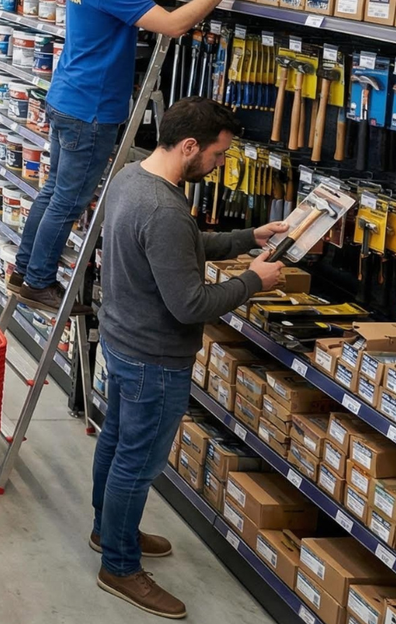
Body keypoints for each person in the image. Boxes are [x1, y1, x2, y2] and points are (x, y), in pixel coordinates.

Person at [12, 0, 258, 312]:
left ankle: (24, 270)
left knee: (54, 193)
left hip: (68, 99)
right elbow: (176, 24)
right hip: (90, 112)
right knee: (67, 202)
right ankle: (38, 282)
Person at [92, 98, 285, 619]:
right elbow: (190, 304)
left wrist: (249, 238)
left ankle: (106, 529)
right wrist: (253, 281)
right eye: (219, 155)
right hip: (154, 357)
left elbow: (178, 247)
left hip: (121, 339)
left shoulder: (134, 176)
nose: (220, 164)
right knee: (138, 463)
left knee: (115, 440)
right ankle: (120, 565)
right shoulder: (164, 207)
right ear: (190, 146)